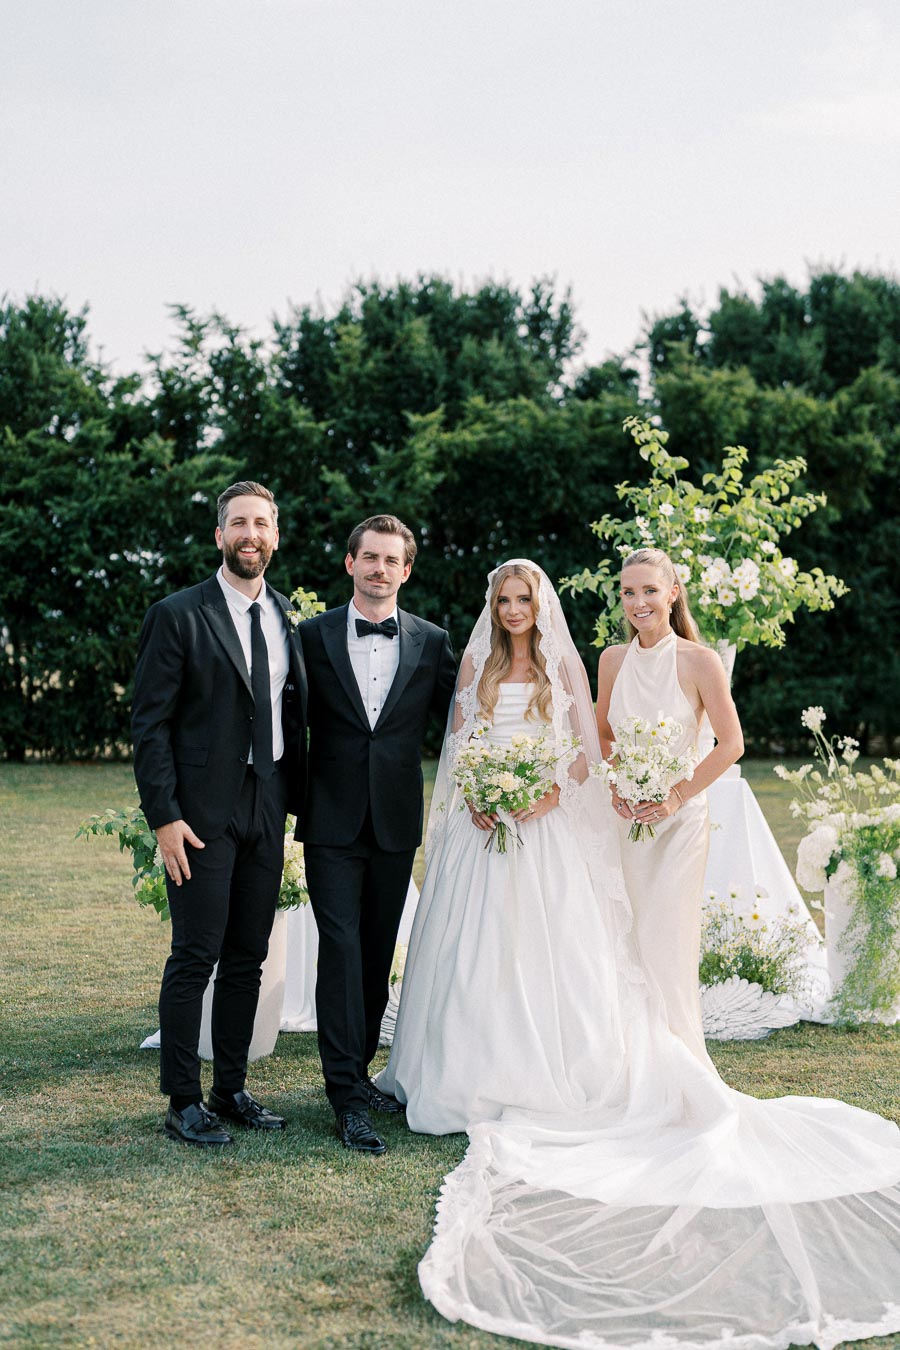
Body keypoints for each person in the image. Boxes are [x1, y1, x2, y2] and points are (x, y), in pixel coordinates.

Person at [379, 556, 900, 1350]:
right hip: (500, 830)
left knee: (607, 950)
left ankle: (658, 1054)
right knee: (488, 954)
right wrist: (484, 795)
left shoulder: (606, 664)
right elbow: (473, 748)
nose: (515, 609)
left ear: (672, 595)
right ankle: (470, 1064)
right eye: (505, 600)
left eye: (648, 590)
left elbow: (583, 747)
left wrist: (552, 791)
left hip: (611, 822)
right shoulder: (502, 669)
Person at [132, 482, 307, 1147]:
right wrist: (164, 816)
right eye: (238, 522)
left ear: (275, 535)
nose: (250, 534)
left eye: (262, 522)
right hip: (199, 814)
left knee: (248, 955)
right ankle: (182, 1102)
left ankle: (230, 1089)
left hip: (269, 805)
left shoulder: (284, 617)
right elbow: (149, 725)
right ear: (220, 536)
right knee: (195, 953)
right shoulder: (178, 614)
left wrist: (293, 805)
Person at [297, 514, 456, 1154]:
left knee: (374, 949)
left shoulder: (432, 641)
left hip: (394, 822)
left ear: (406, 570)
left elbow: (463, 722)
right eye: (370, 558)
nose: (380, 570)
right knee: (338, 946)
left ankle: (357, 1071)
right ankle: (344, 1095)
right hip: (329, 820)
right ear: (350, 563)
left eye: (392, 561)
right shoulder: (309, 638)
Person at [595, 545, 744, 1064]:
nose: (639, 603)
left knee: (666, 941)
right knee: (623, 939)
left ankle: (678, 1061)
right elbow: (604, 735)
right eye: (629, 592)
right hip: (625, 821)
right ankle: (627, 1061)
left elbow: (731, 744)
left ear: (673, 592)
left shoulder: (700, 661)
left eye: (650, 590)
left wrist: (675, 795)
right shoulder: (612, 660)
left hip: (679, 825)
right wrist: (618, 786)